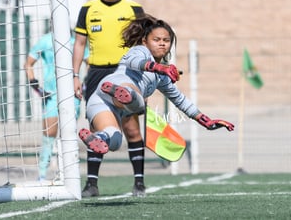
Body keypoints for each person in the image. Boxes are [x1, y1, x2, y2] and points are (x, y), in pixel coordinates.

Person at [78, 15, 235, 178]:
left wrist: (206, 121)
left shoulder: (162, 77)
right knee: (138, 104)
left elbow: (180, 100)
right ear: (145, 41)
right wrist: (159, 67)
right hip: (116, 85)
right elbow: (134, 62)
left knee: (115, 140)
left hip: (100, 102)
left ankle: (97, 136)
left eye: (166, 40)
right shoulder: (140, 50)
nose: (162, 43)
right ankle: (126, 94)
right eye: (157, 39)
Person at [72, 0, 146, 197]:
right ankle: (91, 184)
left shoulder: (134, 9)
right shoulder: (88, 9)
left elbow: (144, 44)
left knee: (131, 127)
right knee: (97, 128)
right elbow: (80, 44)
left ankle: (139, 183)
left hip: (125, 73)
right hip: (96, 74)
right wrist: (75, 76)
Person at [25, 31, 88, 181]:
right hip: (51, 93)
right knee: (49, 133)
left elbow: (90, 61)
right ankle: (41, 174)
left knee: (68, 132)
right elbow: (28, 63)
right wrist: (35, 84)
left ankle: (68, 173)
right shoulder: (45, 40)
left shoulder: (76, 42)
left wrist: (84, 84)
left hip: (72, 94)